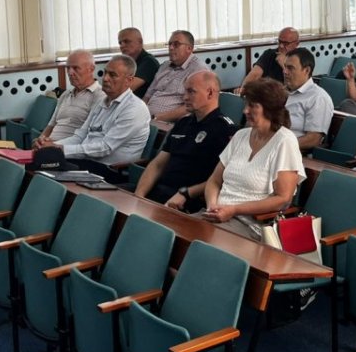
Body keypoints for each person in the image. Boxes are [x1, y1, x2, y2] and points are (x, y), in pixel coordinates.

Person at [166, 78, 305, 240]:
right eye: (246, 104)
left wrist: (234, 210)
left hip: (250, 224)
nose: (245, 111)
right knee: (169, 233)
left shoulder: (285, 141)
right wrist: (212, 206)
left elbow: (283, 199)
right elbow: (214, 181)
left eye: (252, 106)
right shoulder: (240, 136)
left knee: (196, 241)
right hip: (216, 215)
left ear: (270, 108)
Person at [134, 70, 236, 212]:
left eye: (191, 91)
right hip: (159, 191)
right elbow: (158, 165)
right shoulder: (183, 123)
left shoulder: (224, 129)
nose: (185, 97)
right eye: (185, 91)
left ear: (210, 93)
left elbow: (222, 179)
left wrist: (186, 194)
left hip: (186, 201)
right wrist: (139, 196)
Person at [39, 55, 150, 181]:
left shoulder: (134, 108)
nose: (105, 78)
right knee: (42, 162)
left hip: (111, 170)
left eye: (113, 75)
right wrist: (51, 146)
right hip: (88, 162)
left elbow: (105, 148)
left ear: (128, 81)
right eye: (105, 73)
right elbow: (80, 136)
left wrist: (59, 150)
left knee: (48, 166)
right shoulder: (101, 102)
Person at [33, 50, 105, 145]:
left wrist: (54, 145)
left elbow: (88, 136)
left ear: (91, 69)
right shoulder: (65, 94)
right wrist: (40, 141)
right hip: (49, 147)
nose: (70, 72)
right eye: (68, 68)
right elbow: (51, 125)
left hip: (69, 149)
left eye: (76, 68)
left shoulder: (99, 95)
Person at [143, 30, 205, 122]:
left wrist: (156, 118)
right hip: (146, 120)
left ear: (189, 48)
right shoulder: (165, 66)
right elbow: (148, 95)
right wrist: (139, 113)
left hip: (169, 123)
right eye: (170, 44)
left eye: (176, 44)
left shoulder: (198, 70)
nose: (171, 48)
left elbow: (192, 106)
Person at [282, 48, 334, 152]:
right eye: (285, 67)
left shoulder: (318, 97)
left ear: (307, 70)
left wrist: (281, 146)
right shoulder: (282, 92)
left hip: (292, 152)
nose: (285, 72)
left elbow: (313, 139)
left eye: (290, 68)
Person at [237, 27, 301, 92]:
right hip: (266, 93)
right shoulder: (269, 54)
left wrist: (284, 65)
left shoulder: (301, 58)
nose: (281, 46)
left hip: (287, 95)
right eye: (280, 42)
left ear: (296, 44)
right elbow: (255, 74)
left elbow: (297, 85)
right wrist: (244, 88)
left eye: (286, 43)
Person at [117, 27, 160, 98]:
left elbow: (126, 89)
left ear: (140, 42)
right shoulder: (128, 62)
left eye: (126, 41)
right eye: (120, 43)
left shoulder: (149, 62)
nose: (122, 46)